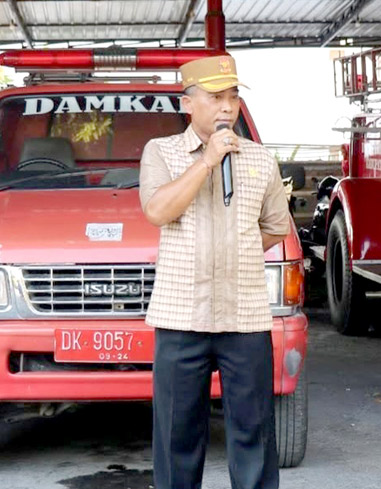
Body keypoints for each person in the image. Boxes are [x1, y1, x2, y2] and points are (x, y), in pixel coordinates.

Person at [139, 55, 291, 489]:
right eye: (215, 97)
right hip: (180, 316)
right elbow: (157, 210)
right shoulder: (161, 152)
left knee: (253, 434)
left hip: (244, 318)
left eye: (233, 97)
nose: (227, 108)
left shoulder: (261, 159)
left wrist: (236, 250)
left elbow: (276, 226)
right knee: (176, 436)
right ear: (188, 104)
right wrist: (206, 162)